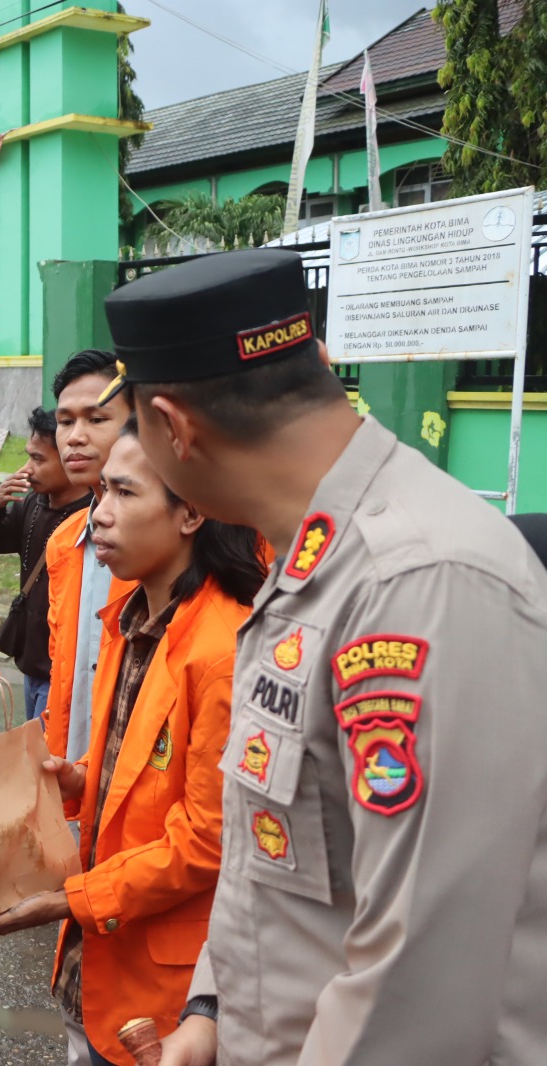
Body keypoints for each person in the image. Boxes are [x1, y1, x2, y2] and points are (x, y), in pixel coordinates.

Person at [93, 249, 547, 1066]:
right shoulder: (310, 561)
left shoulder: (417, 582)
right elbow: (278, 855)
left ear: (174, 427)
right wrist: (213, 1010)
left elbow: (415, 993)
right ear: (323, 363)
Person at [0, 418, 264, 1065]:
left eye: (125, 493)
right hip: (96, 964)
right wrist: (82, 777)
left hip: (167, 993)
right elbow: (141, 767)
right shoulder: (128, 618)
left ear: (191, 513)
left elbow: (208, 841)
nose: (99, 513)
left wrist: (70, 900)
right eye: (101, 491)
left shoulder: (224, 650)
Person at [0, 406, 91, 720]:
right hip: (32, 662)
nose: (26, 469)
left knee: (44, 748)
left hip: (68, 670)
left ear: (71, 459)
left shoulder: (96, 516)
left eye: (38, 459)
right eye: (28, 457)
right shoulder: (33, 504)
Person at [43, 350, 132, 764]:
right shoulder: (65, 543)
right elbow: (61, 670)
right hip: (71, 775)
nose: (75, 437)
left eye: (96, 419)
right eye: (65, 422)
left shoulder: (174, 544)